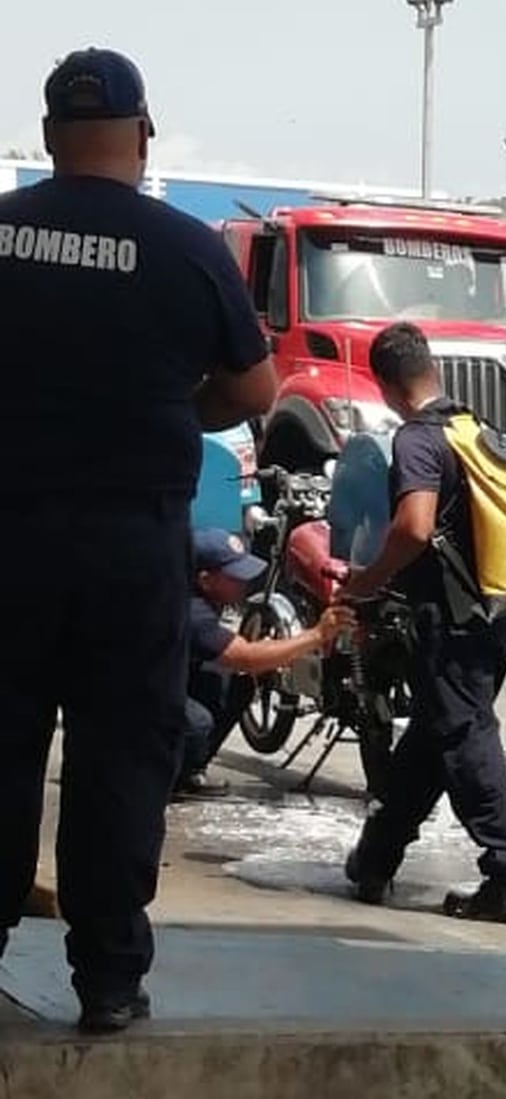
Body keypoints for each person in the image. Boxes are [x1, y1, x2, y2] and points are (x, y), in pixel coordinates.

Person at [0, 48, 278, 1034]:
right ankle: (109, 977)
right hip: (131, 544)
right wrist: (168, 406)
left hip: (9, 538)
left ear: (46, 139)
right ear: (144, 134)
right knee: (121, 758)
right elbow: (254, 394)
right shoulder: (187, 248)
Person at [338, 323, 506, 927]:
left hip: (451, 617)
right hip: (497, 608)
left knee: (463, 735)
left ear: (383, 383)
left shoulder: (419, 441)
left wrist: (369, 579)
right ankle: (375, 859)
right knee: (433, 735)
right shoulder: (476, 429)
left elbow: (415, 527)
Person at [177, 529, 356, 799]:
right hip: (129, 695)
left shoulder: (206, 598)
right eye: (234, 577)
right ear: (205, 580)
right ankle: (165, 779)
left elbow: (241, 658)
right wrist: (317, 635)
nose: (244, 583)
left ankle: (190, 770)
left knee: (232, 683)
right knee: (196, 723)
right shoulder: (191, 610)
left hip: (170, 677)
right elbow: (246, 656)